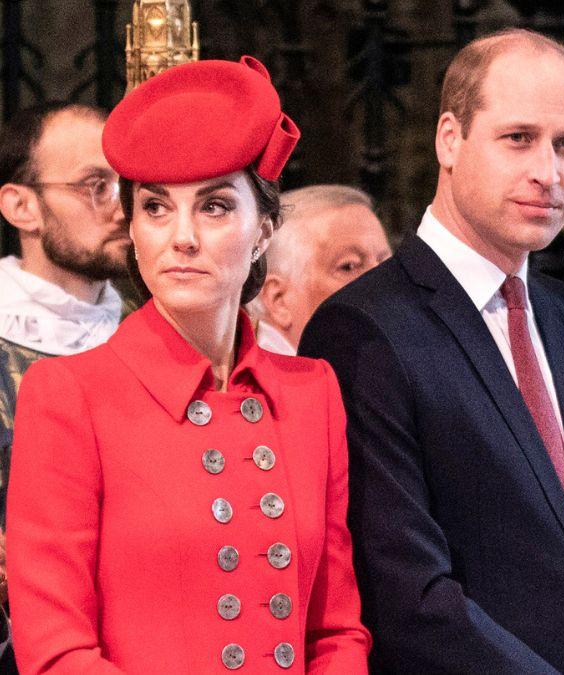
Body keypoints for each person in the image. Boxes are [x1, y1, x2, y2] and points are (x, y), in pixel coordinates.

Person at [299, 29, 564, 673]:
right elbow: (408, 594)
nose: (549, 172)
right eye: (519, 138)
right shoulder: (363, 329)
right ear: (449, 139)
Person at [7, 56, 371, 672]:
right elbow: (55, 650)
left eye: (215, 207)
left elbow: (335, 630)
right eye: (155, 208)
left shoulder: (312, 392)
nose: (181, 237)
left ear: (263, 231)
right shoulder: (68, 395)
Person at [0, 103, 128, 526]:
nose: (123, 210)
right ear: (22, 207)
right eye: (95, 186)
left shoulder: (155, 330)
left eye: (126, 186)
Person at [246, 184, 391, 355]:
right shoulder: (255, 380)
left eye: (386, 263)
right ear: (278, 300)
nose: (383, 282)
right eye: (349, 266)